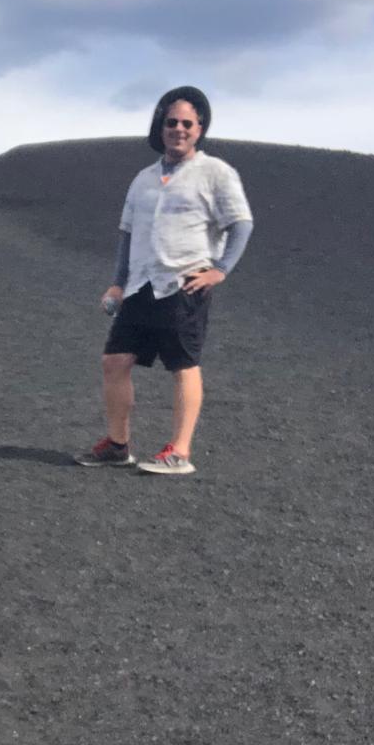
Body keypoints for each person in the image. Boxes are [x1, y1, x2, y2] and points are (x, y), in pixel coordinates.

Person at [75, 85, 254, 475]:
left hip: (184, 284)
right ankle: (118, 446)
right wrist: (118, 282)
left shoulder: (216, 173)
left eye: (187, 123)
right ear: (161, 125)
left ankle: (180, 452)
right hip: (141, 284)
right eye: (171, 122)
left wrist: (220, 269)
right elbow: (126, 232)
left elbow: (242, 223)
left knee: (183, 364)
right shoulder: (143, 179)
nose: (178, 129)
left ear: (200, 128)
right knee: (114, 360)